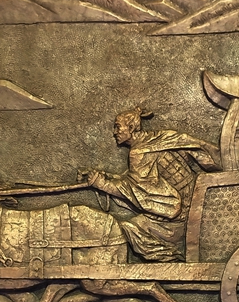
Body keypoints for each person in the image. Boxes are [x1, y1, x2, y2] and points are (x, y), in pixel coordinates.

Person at [80, 108, 220, 262]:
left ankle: (171, 259)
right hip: (196, 203)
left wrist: (102, 184)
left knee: (129, 228)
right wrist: (108, 176)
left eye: (118, 127)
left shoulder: (138, 153)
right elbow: (138, 181)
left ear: (131, 128)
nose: (114, 132)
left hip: (180, 219)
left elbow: (138, 192)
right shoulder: (159, 138)